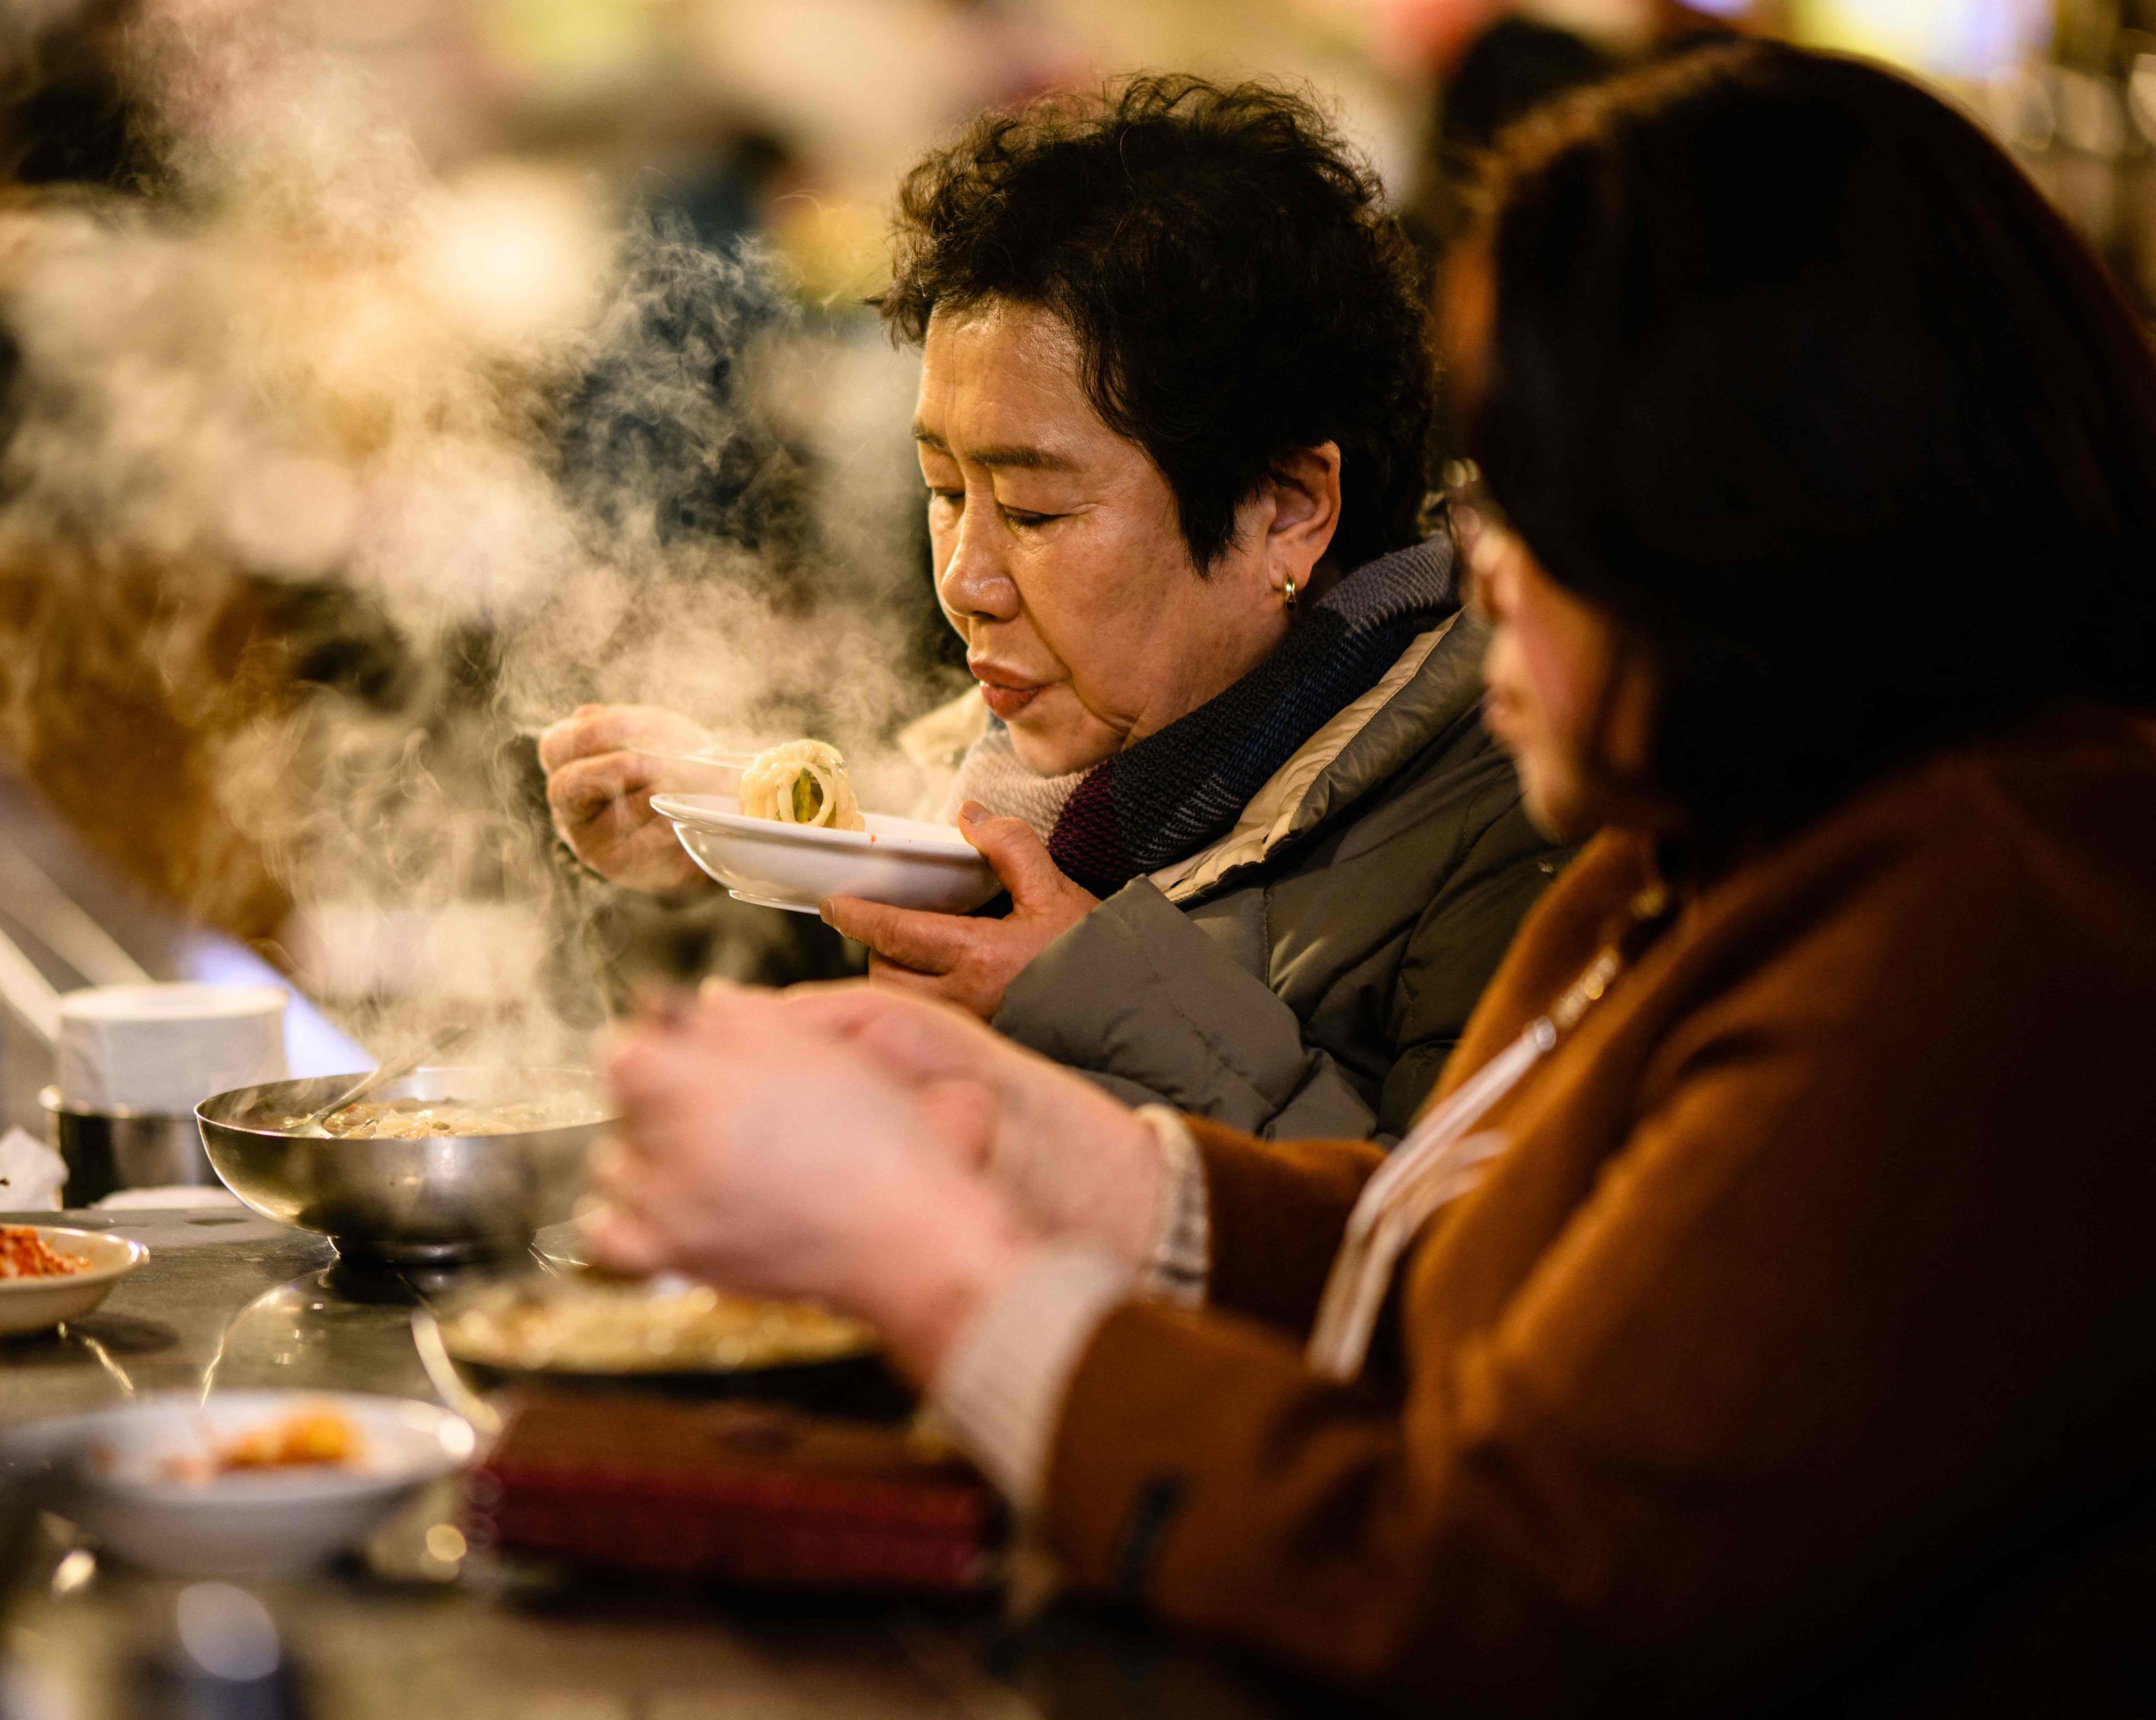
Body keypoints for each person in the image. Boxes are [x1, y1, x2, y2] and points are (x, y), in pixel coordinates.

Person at [581, 43, 2156, 1713]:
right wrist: (1074, 1157)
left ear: (1761, 524)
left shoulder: (1990, 934)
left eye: (1543, 509)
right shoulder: (1747, 849)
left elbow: (1494, 1589)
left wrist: (944, 1272)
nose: (1478, 566)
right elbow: (1479, 1251)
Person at [545, 77, 1566, 1142]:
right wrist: (721, 877)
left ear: (1288, 507)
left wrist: (1091, 1005)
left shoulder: (1509, 815)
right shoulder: (1017, 783)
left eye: (1034, 510)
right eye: (944, 493)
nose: (963, 582)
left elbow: (1438, 1261)